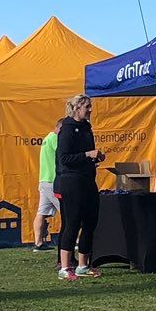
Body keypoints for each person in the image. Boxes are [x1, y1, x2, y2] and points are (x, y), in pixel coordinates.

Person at [55, 94, 104, 281]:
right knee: (72, 224)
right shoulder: (67, 129)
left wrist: (95, 157)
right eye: (87, 107)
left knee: (91, 222)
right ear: (76, 108)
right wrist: (86, 154)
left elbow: (85, 156)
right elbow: (64, 159)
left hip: (87, 180)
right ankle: (65, 267)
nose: (90, 110)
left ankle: (84, 265)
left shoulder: (87, 128)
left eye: (90, 106)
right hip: (71, 182)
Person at [33, 124, 59, 251]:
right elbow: (63, 156)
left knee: (41, 213)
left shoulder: (47, 138)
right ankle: (73, 240)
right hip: (52, 181)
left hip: (44, 180)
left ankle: (37, 243)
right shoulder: (55, 138)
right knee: (68, 211)